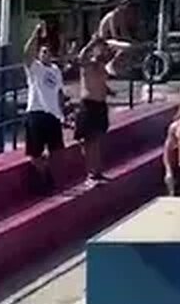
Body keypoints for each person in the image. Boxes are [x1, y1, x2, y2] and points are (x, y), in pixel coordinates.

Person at [23, 21, 66, 194]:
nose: (47, 54)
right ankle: (44, 178)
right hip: (36, 112)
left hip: (53, 115)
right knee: (35, 153)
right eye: (44, 51)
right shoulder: (35, 68)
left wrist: (63, 112)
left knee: (57, 151)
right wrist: (35, 32)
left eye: (49, 52)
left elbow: (59, 93)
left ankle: (50, 175)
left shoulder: (55, 70)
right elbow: (26, 54)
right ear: (40, 53)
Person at [74, 35, 113, 185]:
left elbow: (101, 83)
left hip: (101, 105)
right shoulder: (88, 64)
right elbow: (81, 57)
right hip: (88, 105)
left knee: (97, 140)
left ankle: (97, 171)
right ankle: (90, 172)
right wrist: (92, 43)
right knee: (88, 140)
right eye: (99, 48)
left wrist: (108, 91)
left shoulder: (102, 67)